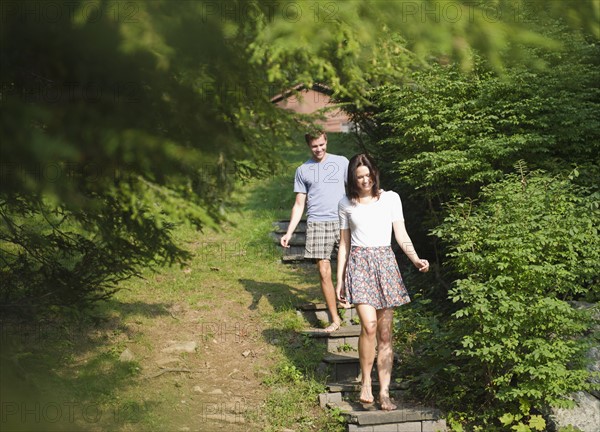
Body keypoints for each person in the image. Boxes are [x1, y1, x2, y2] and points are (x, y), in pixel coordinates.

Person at [336, 153, 429, 411]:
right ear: (352, 180)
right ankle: (366, 383)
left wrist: (415, 258)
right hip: (360, 264)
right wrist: (339, 280)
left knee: (385, 333)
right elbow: (344, 244)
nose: (365, 181)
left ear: (374, 174)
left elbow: (401, 234)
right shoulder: (346, 203)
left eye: (368, 175)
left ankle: (384, 392)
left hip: (385, 264)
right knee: (369, 325)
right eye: (359, 177)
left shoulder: (390, 198)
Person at [280, 131, 349, 333]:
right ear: (309, 147)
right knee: (323, 271)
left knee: (351, 265)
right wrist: (289, 232)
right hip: (317, 223)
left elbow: (355, 188)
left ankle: (348, 298)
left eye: (321, 145)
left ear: (326, 141)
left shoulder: (341, 162)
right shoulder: (303, 170)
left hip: (343, 220)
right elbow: (299, 203)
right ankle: (335, 319)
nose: (319, 149)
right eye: (314, 146)